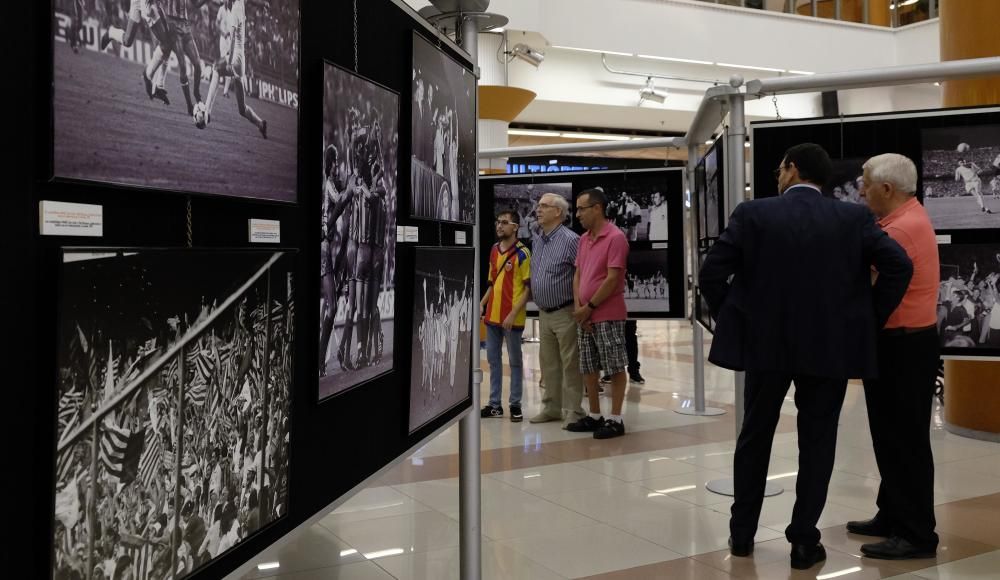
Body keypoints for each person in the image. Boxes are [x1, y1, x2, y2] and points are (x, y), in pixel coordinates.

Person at [700, 143, 912, 570]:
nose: (777, 175)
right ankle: (802, 541)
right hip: (828, 350)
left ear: (792, 170)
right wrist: (866, 318)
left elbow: (711, 273)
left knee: (754, 436)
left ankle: (741, 535)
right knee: (817, 443)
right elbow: (899, 266)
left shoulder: (753, 213)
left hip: (765, 348)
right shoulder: (853, 217)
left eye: (780, 168)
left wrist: (737, 317)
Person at [848, 153, 941, 560]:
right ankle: (892, 513)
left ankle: (917, 533)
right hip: (908, 343)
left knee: (904, 442)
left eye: (864, 180)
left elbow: (863, 284)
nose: (859, 186)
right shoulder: (906, 218)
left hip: (902, 345)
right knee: (892, 437)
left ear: (886, 189)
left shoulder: (900, 230)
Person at [566, 187, 631, 439]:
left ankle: (615, 419)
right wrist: (579, 308)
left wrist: (589, 307)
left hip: (607, 313)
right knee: (589, 366)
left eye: (582, 208)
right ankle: (594, 415)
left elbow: (613, 278)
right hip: (585, 315)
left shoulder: (615, 237)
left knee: (614, 366)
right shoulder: (583, 239)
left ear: (597, 208)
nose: (578, 214)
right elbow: (579, 274)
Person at [529, 193, 586, 426]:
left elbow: (581, 274)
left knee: (570, 362)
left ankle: (574, 410)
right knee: (549, 363)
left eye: (544, 206)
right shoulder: (538, 239)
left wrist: (581, 307)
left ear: (558, 213)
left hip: (565, 311)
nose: (538, 209)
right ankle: (551, 407)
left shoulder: (572, 240)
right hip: (544, 312)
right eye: (538, 205)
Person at [480, 211, 531, 422]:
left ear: (515, 226)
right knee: (493, 360)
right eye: (497, 222)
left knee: (516, 361)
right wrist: (482, 305)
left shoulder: (523, 253)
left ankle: (515, 404)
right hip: (492, 317)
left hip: (512, 319)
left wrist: (512, 314)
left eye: (504, 222)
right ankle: (494, 405)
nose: (499, 226)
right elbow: (492, 283)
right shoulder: (493, 250)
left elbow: (528, 290)